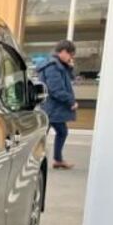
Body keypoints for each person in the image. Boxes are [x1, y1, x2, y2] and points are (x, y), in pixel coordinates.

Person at [38, 40, 77, 169]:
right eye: (71, 55)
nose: (71, 58)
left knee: (55, 132)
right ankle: (53, 159)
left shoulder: (58, 65)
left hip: (51, 107)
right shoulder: (53, 66)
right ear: (64, 52)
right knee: (55, 133)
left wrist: (69, 67)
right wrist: (71, 101)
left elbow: (68, 79)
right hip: (51, 107)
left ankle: (56, 159)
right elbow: (55, 89)